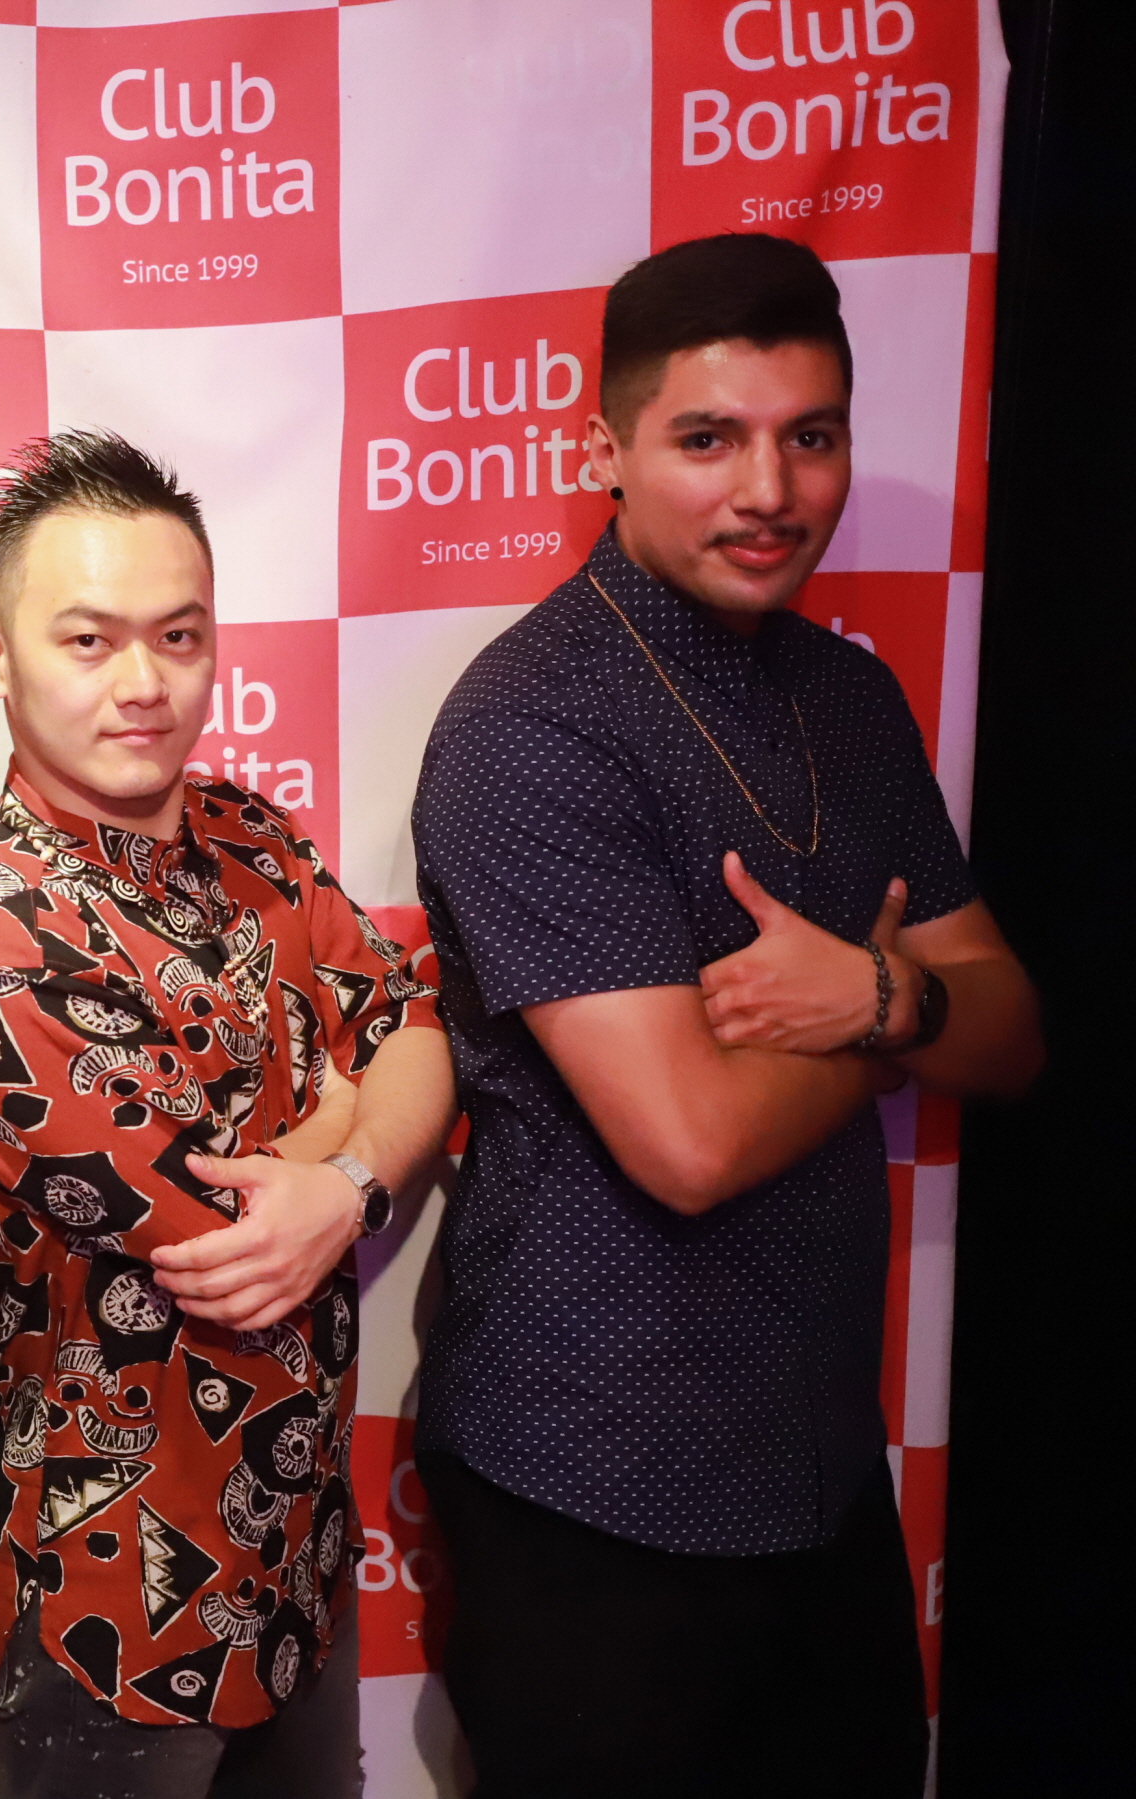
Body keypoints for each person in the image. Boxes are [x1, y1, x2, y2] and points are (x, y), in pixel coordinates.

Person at [409, 233, 1042, 1797]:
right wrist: (889, 1028)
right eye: (708, 439)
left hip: (819, 1471)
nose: (770, 489)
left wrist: (876, 992)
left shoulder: (851, 699)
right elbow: (686, 1141)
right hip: (594, 1480)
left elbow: (1013, 1034)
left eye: (809, 435)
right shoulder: (531, 725)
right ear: (604, 451)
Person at [0, 431, 452, 1797]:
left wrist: (344, 1178)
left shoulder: (252, 835)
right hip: (110, 1599)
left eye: (178, 635)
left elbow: (417, 1029)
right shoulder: (7, 947)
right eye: (88, 640)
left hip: (297, 1556)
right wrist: (346, 1118)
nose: (144, 682)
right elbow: (223, 1234)